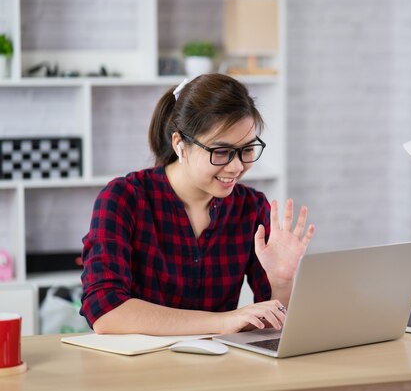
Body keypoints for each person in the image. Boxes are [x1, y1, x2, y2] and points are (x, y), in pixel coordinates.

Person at [80, 73, 315, 335]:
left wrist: (282, 284)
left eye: (247, 150)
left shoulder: (252, 208)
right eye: (222, 152)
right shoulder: (123, 199)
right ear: (180, 144)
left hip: (220, 367)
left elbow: (273, 324)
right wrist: (224, 321)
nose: (237, 167)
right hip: (142, 369)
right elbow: (106, 312)